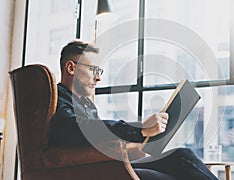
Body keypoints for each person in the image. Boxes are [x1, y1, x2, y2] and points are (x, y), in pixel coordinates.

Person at [49, 40, 218, 180]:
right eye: (94, 70)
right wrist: (140, 128)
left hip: (107, 165)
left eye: (99, 71)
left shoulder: (87, 104)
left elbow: (97, 142)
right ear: (71, 68)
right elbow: (78, 128)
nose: (99, 78)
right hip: (91, 171)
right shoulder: (55, 99)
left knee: (182, 155)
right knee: (176, 172)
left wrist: (137, 147)